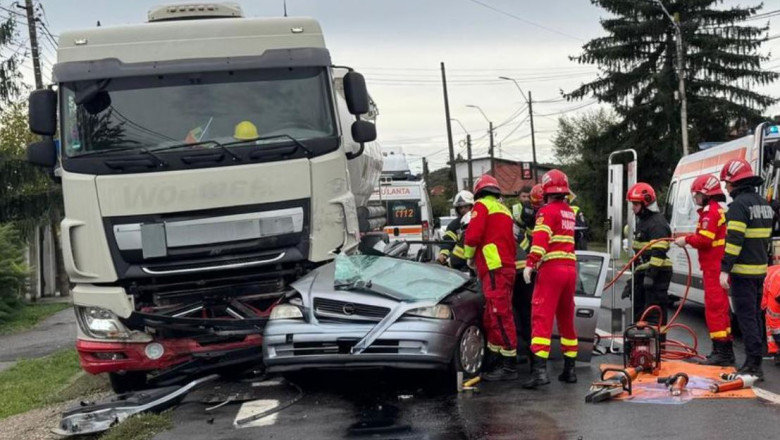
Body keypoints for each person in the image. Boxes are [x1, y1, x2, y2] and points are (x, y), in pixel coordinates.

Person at [522, 169, 578, 389]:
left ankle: (540, 373)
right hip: (570, 269)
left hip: (552, 270)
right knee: (566, 320)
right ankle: (570, 371)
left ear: (546, 190)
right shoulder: (569, 211)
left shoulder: (546, 212)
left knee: (541, 319)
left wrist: (530, 263)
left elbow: (540, 241)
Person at [719, 159, 773, 379]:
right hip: (760, 271)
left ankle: (753, 364)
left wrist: (725, 269)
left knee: (746, 317)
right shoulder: (763, 204)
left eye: (727, 183)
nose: (726, 188)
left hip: (743, 272)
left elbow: (734, 241)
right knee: (756, 317)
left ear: (735, 183)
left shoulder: (739, 207)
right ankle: (757, 358)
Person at [673, 174, 733, 366]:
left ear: (706, 194)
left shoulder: (710, 212)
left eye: (697, 194)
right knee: (720, 309)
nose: (696, 198)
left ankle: (721, 352)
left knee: (715, 309)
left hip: (714, 268)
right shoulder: (715, 210)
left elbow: (705, 240)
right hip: (714, 267)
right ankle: (723, 350)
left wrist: (686, 240)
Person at [463, 175, 518, 381]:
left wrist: (469, 257)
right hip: (505, 266)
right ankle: (495, 358)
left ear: (478, 192)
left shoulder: (481, 206)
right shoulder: (504, 209)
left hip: (494, 266)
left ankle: (509, 365)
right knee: (493, 315)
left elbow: (473, 236)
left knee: (500, 314)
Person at [621, 182, 673, 327]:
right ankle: (640, 347)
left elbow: (659, 251)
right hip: (645, 273)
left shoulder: (657, 223)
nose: (633, 208)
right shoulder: (644, 221)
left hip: (657, 274)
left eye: (636, 204)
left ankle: (658, 347)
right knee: (640, 315)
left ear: (646, 204)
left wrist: (651, 275)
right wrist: (632, 282)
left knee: (654, 315)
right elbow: (640, 255)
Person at [437, 190, 474, 265]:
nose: (463, 209)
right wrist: (443, 255)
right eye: (460, 207)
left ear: (471, 206)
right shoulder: (454, 225)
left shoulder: (478, 221)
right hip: (460, 264)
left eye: (466, 206)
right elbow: (448, 242)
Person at [762, 265, 780, 367]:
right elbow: (774, 326)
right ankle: (775, 351)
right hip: (767, 288)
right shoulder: (775, 295)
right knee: (772, 324)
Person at [511, 185, 535, 253]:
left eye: (529, 196)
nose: (526, 199)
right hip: (520, 240)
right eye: (524, 196)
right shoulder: (514, 208)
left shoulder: (536, 207)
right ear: (519, 197)